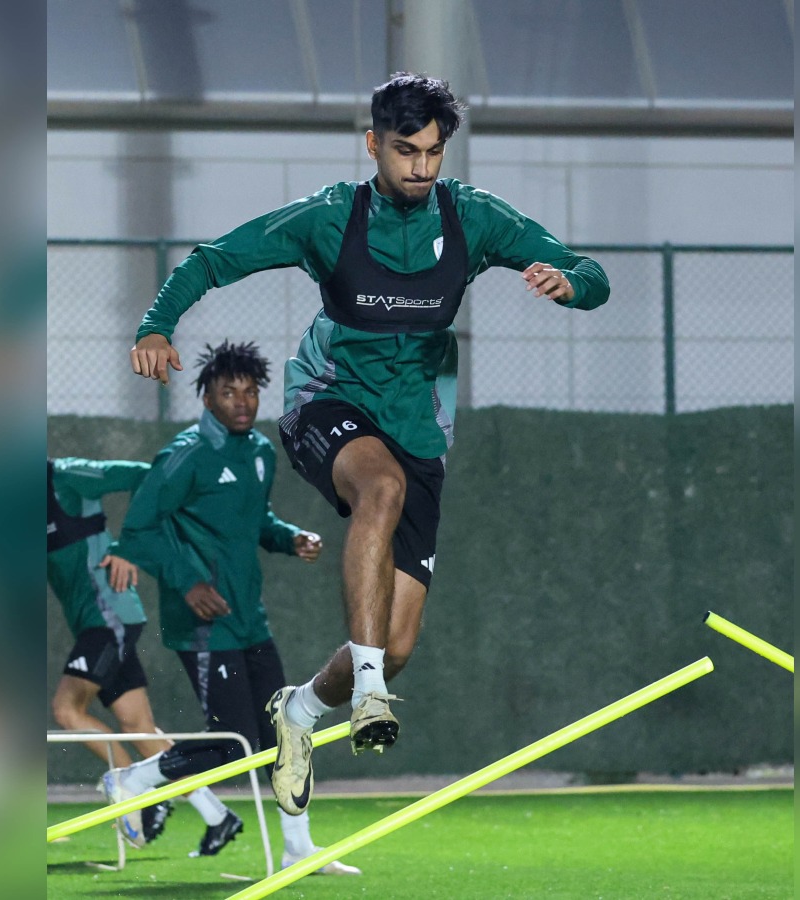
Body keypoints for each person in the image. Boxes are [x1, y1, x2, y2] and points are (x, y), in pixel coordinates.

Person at [126, 72, 611, 817]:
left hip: (417, 427)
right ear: (372, 145)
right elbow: (213, 258)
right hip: (329, 401)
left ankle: (302, 712)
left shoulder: (472, 217)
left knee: (396, 639)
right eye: (404, 150)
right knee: (378, 493)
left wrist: (569, 284)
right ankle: (372, 695)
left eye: (433, 152)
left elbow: (593, 273)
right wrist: (156, 325)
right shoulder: (329, 218)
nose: (419, 167)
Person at [99, 341, 360, 874]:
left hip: (248, 619)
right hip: (201, 625)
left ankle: (298, 847)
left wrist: (289, 538)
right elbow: (138, 531)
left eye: (250, 391)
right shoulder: (185, 455)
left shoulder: (261, 452)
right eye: (228, 392)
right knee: (231, 744)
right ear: (207, 397)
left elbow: (255, 522)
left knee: (288, 730)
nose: (242, 401)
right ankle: (131, 781)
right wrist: (189, 583)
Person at [48, 457, 220, 849]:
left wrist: (128, 546)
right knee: (137, 724)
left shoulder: (67, 476)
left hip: (109, 620)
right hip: (100, 623)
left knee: (67, 710)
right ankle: (217, 814)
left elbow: (151, 475)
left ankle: (137, 798)